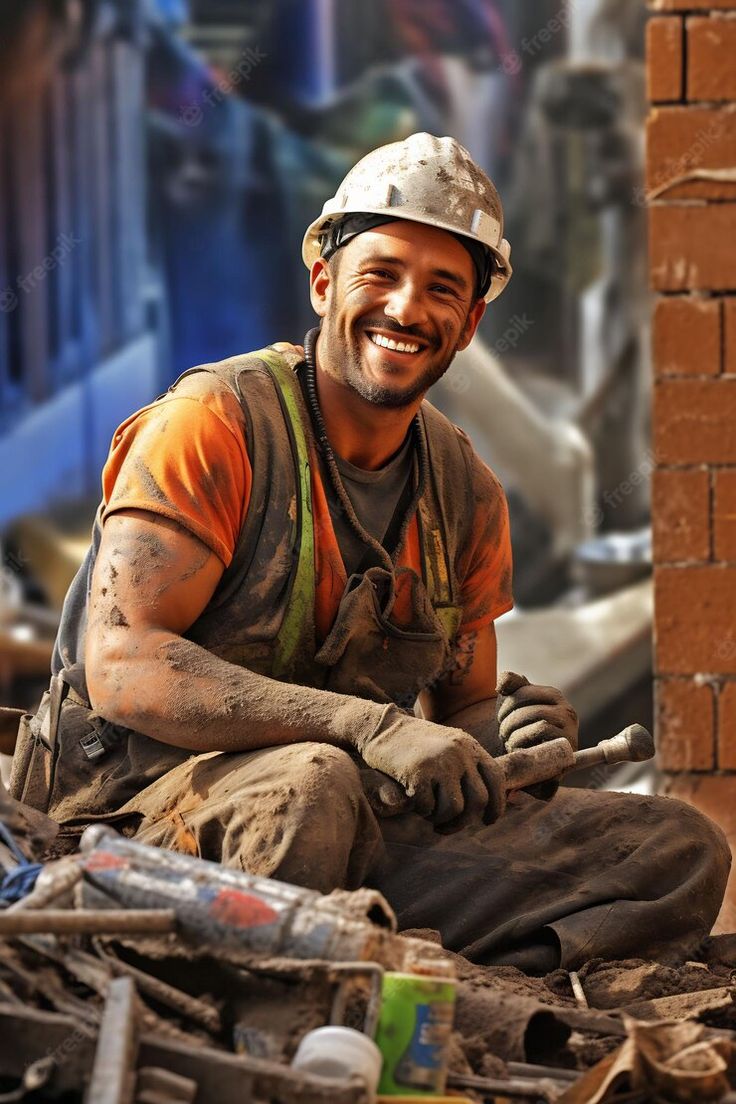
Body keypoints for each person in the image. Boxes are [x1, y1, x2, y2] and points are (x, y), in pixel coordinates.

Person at [11, 133, 729, 973]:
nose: (406, 309)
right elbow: (123, 663)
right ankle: (296, 985)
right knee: (314, 783)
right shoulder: (214, 424)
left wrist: (513, 738)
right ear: (324, 282)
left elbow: (459, 714)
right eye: (381, 274)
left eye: (441, 290)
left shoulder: (465, 493)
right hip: (138, 822)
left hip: (355, 825)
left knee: (679, 846)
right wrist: (364, 724)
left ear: (469, 323)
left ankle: (433, 977)